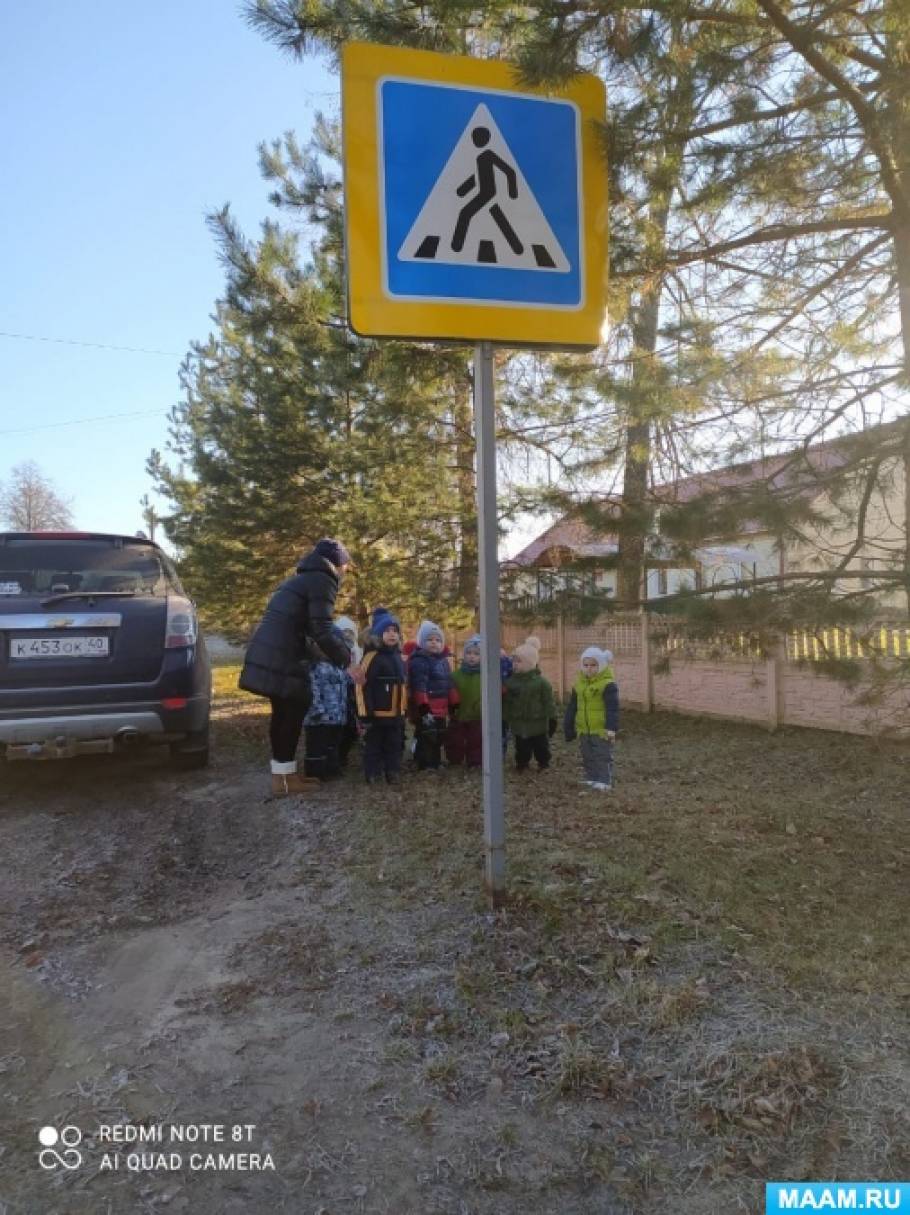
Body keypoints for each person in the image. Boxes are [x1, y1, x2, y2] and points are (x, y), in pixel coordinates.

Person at [239, 538, 352, 796]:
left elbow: (303, 627)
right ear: (338, 562)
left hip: (272, 652)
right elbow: (321, 628)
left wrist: (317, 653)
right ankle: (284, 779)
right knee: (291, 712)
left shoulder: (299, 579)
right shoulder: (323, 579)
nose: (346, 571)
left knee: (283, 713)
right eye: (345, 565)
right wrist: (346, 659)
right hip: (284, 655)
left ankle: (284, 776)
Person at [357, 607, 408, 784]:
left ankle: (392, 771)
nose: (391, 634)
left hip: (395, 715)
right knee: (374, 745)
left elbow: (402, 685)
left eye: (395, 631)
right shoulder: (371, 657)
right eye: (387, 631)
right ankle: (373, 773)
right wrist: (365, 714)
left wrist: (403, 710)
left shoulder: (398, 657)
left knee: (394, 745)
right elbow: (361, 686)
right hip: (376, 714)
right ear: (378, 634)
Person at [564, 647, 619, 791]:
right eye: (586, 665)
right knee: (587, 754)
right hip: (584, 728)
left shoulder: (608, 685)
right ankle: (592, 778)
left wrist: (611, 728)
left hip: (600, 729)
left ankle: (604, 781)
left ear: (600, 665)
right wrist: (568, 725)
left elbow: (612, 709)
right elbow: (572, 706)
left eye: (593, 665)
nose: (589, 669)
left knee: (602, 755)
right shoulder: (579, 685)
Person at [408, 619, 458, 770]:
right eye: (429, 640)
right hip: (427, 707)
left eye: (437, 640)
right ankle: (425, 762)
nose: (434, 643)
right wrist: (423, 706)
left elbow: (449, 683)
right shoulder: (419, 661)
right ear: (422, 642)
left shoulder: (443, 662)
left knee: (439, 735)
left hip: (441, 706)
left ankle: (435, 760)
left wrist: (454, 701)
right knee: (427, 735)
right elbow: (419, 685)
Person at [502, 636, 556, 772]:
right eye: (513, 660)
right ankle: (522, 764)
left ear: (530, 663)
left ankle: (543, 763)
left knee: (541, 746)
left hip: (538, 722)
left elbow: (548, 701)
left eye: (519, 661)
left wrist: (552, 717)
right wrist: (505, 718)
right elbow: (507, 702)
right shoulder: (510, 682)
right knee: (521, 746)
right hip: (519, 723)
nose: (514, 664)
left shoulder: (541, 683)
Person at [303, 629, 351, 781]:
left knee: (332, 744)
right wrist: (317, 710)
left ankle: (331, 768)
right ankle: (315, 773)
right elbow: (313, 690)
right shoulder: (315, 667)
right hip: (320, 717)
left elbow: (344, 686)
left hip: (336, 715)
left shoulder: (338, 667)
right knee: (317, 746)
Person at [448, 634, 483, 768]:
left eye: (476, 654)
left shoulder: (485, 676)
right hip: (459, 713)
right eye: (468, 653)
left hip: (477, 715)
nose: (472, 656)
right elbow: (450, 691)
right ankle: (454, 760)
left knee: (476, 740)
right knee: (455, 739)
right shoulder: (455, 675)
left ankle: (475, 761)